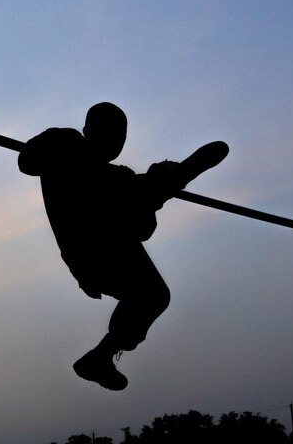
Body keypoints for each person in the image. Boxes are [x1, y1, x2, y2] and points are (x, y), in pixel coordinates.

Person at [19, 102, 228, 390]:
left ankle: (100, 357)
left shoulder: (116, 176)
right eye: (111, 133)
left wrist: (147, 197)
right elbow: (26, 161)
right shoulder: (67, 142)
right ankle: (168, 179)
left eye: (121, 136)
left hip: (111, 242)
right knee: (131, 188)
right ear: (89, 131)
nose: (117, 140)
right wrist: (70, 150)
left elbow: (144, 231)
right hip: (90, 245)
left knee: (154, 295)